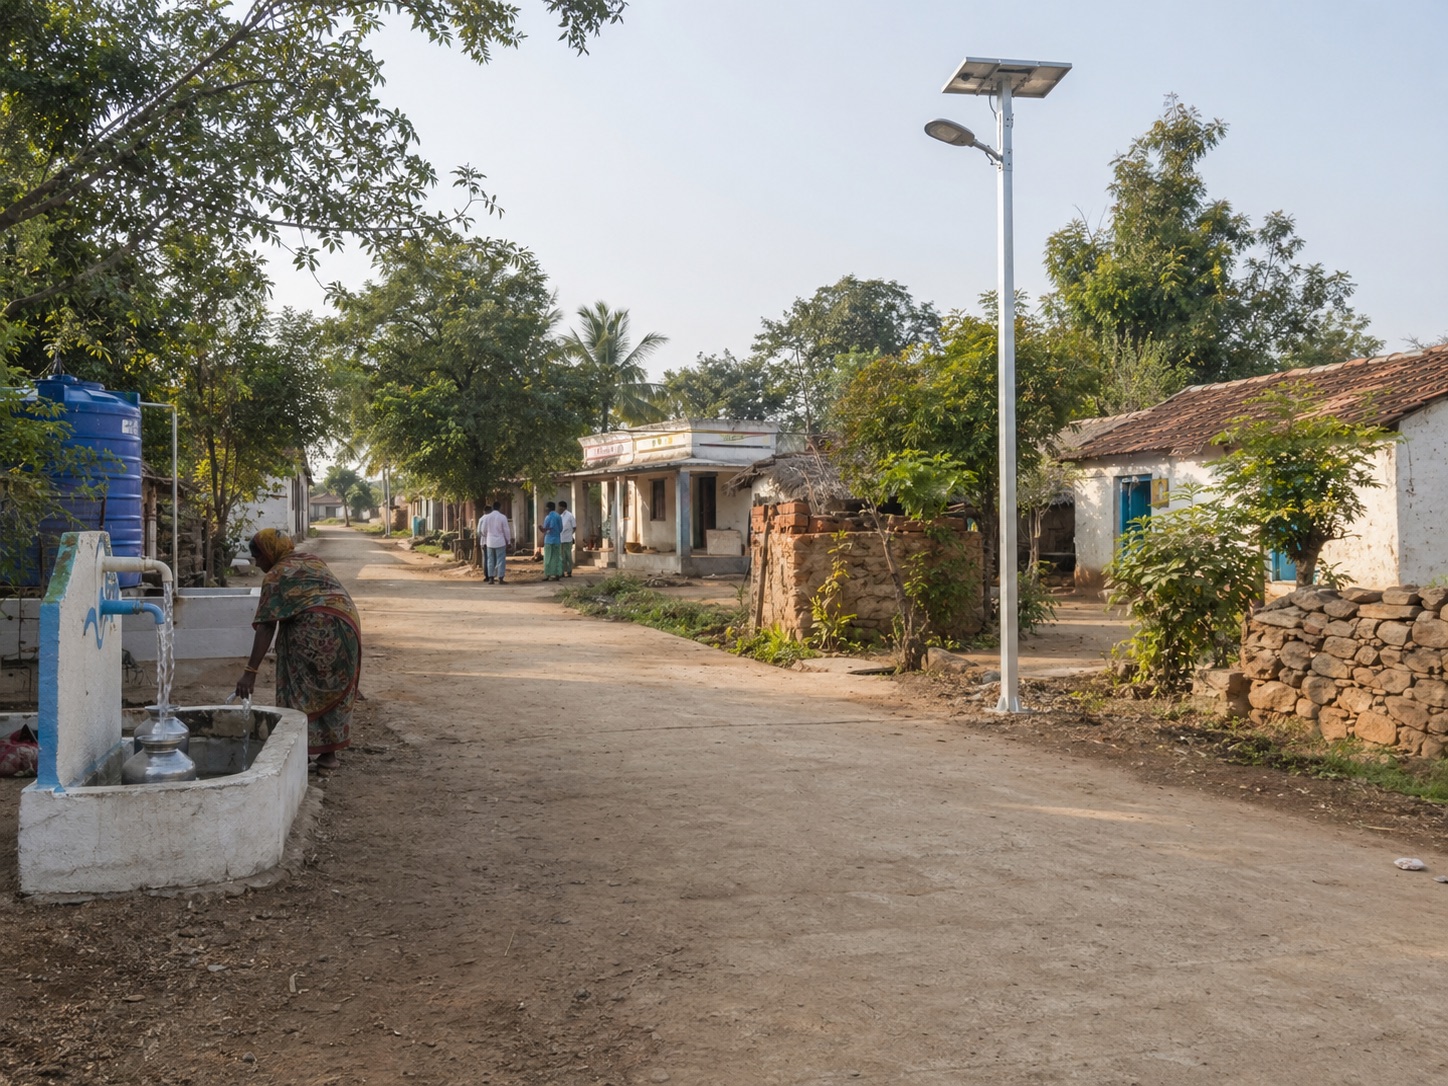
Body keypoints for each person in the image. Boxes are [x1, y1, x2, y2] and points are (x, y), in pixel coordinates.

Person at [235, 529, 361, 771]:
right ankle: (328, 755)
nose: (258, 563)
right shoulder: (312, 560)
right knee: (330, 688)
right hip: (347, 626)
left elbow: (266, 626)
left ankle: (300, 753)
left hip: (315, 630)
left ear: (270, 553)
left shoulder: (275, 576)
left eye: (259, 557)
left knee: (297, 687)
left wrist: (250, 671)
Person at [477, 501, 511, 584]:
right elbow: (506, 530)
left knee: (490, 560)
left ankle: (491, 578)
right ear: (500, 507)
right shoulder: (502, 517)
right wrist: (508, 541)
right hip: (500, 542)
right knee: (500, 560)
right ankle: (500, 578)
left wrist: (487, 535)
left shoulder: (487, 517)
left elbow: (483, 530)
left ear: (492, 508)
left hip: (489, 542)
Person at [541, 501, 564, 581]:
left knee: (548, 558)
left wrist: (541, 529)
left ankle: (547, 574)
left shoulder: (548, 517)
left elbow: (544, 529)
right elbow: (561, 528)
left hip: (548, 540)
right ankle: (557, 573)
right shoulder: (559, 516)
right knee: (556, 558)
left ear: (548, 508)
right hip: (557, 540)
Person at [557, 500, 576, 577]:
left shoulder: (570, 515)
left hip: (568, 539)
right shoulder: (560, 516)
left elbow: (574, 527)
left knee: (568, 555)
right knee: (561, 556)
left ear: (563, 507)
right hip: (561, 539)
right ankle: (561, 571)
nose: (558, 509)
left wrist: (570, 534)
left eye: (559, 507)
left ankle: (569, 571)